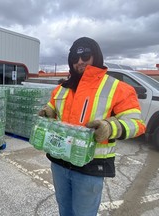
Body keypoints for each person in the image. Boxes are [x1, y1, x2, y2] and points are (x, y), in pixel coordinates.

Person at [38, 37, 146, 216]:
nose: (80, 61)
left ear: (96, 56)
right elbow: (53, 107)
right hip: (59, 163)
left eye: (85, 56)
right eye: (75, 57)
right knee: (64, 211)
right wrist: (48, 111)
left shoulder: (118, 88)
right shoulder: (62, 88)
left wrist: (111, 128)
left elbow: (137, 124)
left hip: (90, 167)